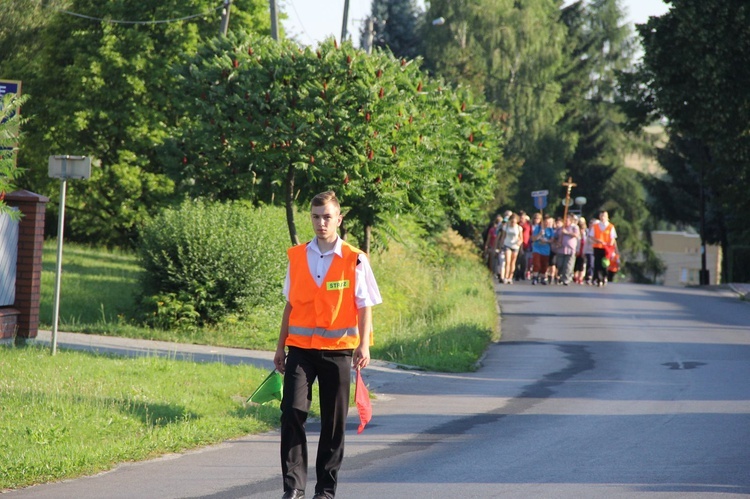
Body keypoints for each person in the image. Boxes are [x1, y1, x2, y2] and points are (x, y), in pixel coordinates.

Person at [274, 191, 383, 499]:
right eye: (315, 216)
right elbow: (289, 305)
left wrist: (364, 345)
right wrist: (279, 347)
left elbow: (365, 305)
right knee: (292, 412)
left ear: (338, 219)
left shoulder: (354, 258)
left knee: (333, 424)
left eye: (326, 217)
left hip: (339, 352)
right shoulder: (297, 256)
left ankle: (325, 490)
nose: (321, 223)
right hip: (300, 350)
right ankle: (293, 486)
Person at [590, 210, 617, 287]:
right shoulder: (595, 226)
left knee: (604, 264)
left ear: (607, 217)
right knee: (597, 263)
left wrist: (610, 247)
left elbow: (613, 238)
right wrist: (598, 240)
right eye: (601, 216)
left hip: (606, 248)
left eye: (604, 216)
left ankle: (604, 276)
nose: (602, 218)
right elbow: (591, 236)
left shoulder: (611, 226)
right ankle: (598, 279)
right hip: (597, 247)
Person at [531, 215, 555, 285]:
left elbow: (552, 240)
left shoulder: (550, 230)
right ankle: (535, 277)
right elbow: (533, 238)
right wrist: (539, 234)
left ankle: (542, 277)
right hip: (537, 248)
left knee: (544, 264)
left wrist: (546, 241)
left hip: (546, 249)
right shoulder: (538, 228)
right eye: (546, 222)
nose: (547, 224)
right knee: (536, 263)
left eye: (548, 222)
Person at [557, 213, 580, 285]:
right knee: (560, 264)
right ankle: (560, 275)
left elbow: (576, 235)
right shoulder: (561, 228)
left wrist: (567, 233)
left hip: (570, 249)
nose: (566, 222)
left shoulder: (574, 227)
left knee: (568, 265)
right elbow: (556, 236)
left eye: (567, 220)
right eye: (565, 221)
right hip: (561, 249)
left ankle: (566, 279)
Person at [499, 213, 521, 284]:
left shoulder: (519, 228)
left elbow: (521, 238)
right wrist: (501, 244)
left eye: (514, 222)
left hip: (515, 246)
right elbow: (503, 236)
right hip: (507, 244)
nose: (513, 223)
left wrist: (519, 242)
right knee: (507, 261)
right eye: (512, 222)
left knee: (513, 262)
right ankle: (505, 277)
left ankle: (510, 277)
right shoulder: (506, 227)